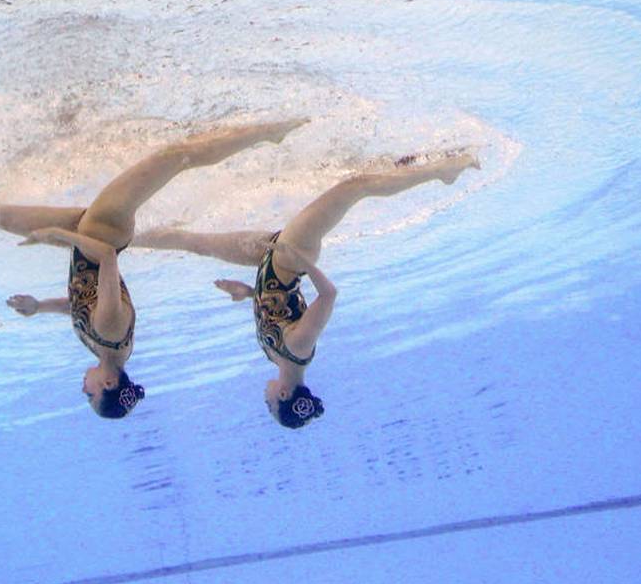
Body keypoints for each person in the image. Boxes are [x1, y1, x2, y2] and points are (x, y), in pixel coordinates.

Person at [0, 119, 310, 419]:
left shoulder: (102, 346)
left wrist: (40, 307)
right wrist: (57, 236)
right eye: (90, 396)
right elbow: (109, 260)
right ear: (107, 386)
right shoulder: (112, 334)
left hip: (85, 233)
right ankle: (266, 135)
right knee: (176, 157)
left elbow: (81, 304)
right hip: (105, 229)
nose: (83, 390)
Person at [134, 148, 480, 428]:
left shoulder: (276, 356)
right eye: (271, 406)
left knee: (195, 243)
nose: (266, 401)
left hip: (267, 258)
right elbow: (328, 295)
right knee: (354, 187)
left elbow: (281, 309)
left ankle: (122, 239)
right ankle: (442, 172)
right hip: (289, 257)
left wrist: (248, 294)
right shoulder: (299, 348)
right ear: (284, 396)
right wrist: (299, 257)